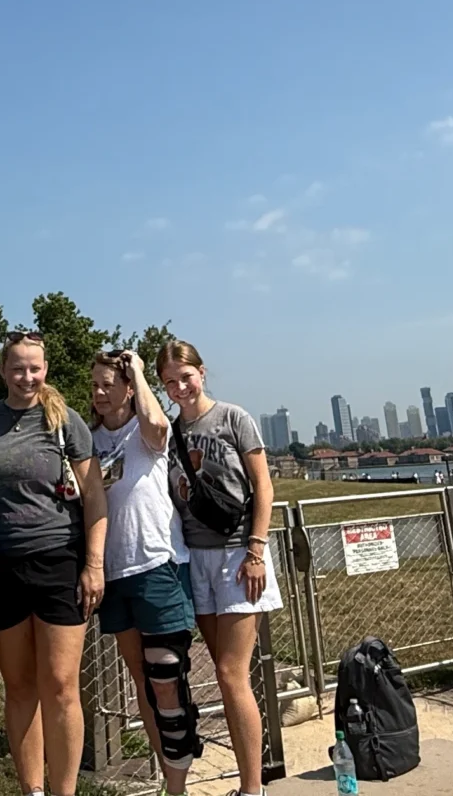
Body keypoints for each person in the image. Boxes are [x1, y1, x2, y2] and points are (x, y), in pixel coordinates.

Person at [0, 330, 107, 796]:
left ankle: (63, 789)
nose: (27, 376)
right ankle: (32, 789)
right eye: (18, 368)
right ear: (3, 371)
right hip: (2, 565)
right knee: (20, 687)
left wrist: (94, 563)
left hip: (59, 561)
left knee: (61, 685)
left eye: (35, 367)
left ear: (44, 369)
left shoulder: (65, 420)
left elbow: (95, 497)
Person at [158, 339, 278, 796]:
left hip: (237, 554)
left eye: (185, 377)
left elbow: (263, 486)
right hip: (196, 556)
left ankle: (253, 788)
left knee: (231, 673)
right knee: (224, 675)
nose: (179, 388)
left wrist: (255, 550)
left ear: (202, 372)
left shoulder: (233, 418)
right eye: (169, 382)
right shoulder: (170, 433)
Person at [90, 350, 200, 794]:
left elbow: (158, 427)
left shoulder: (146, 429)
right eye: (94, 385)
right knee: (143, 681)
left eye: (108, 384)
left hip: (157, 563)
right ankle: (167, 774)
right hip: (115, 573)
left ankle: (178, 786)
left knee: (166, 677)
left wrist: (136, 367)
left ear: (129, 388)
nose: (99, 393)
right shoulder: (89, 437)